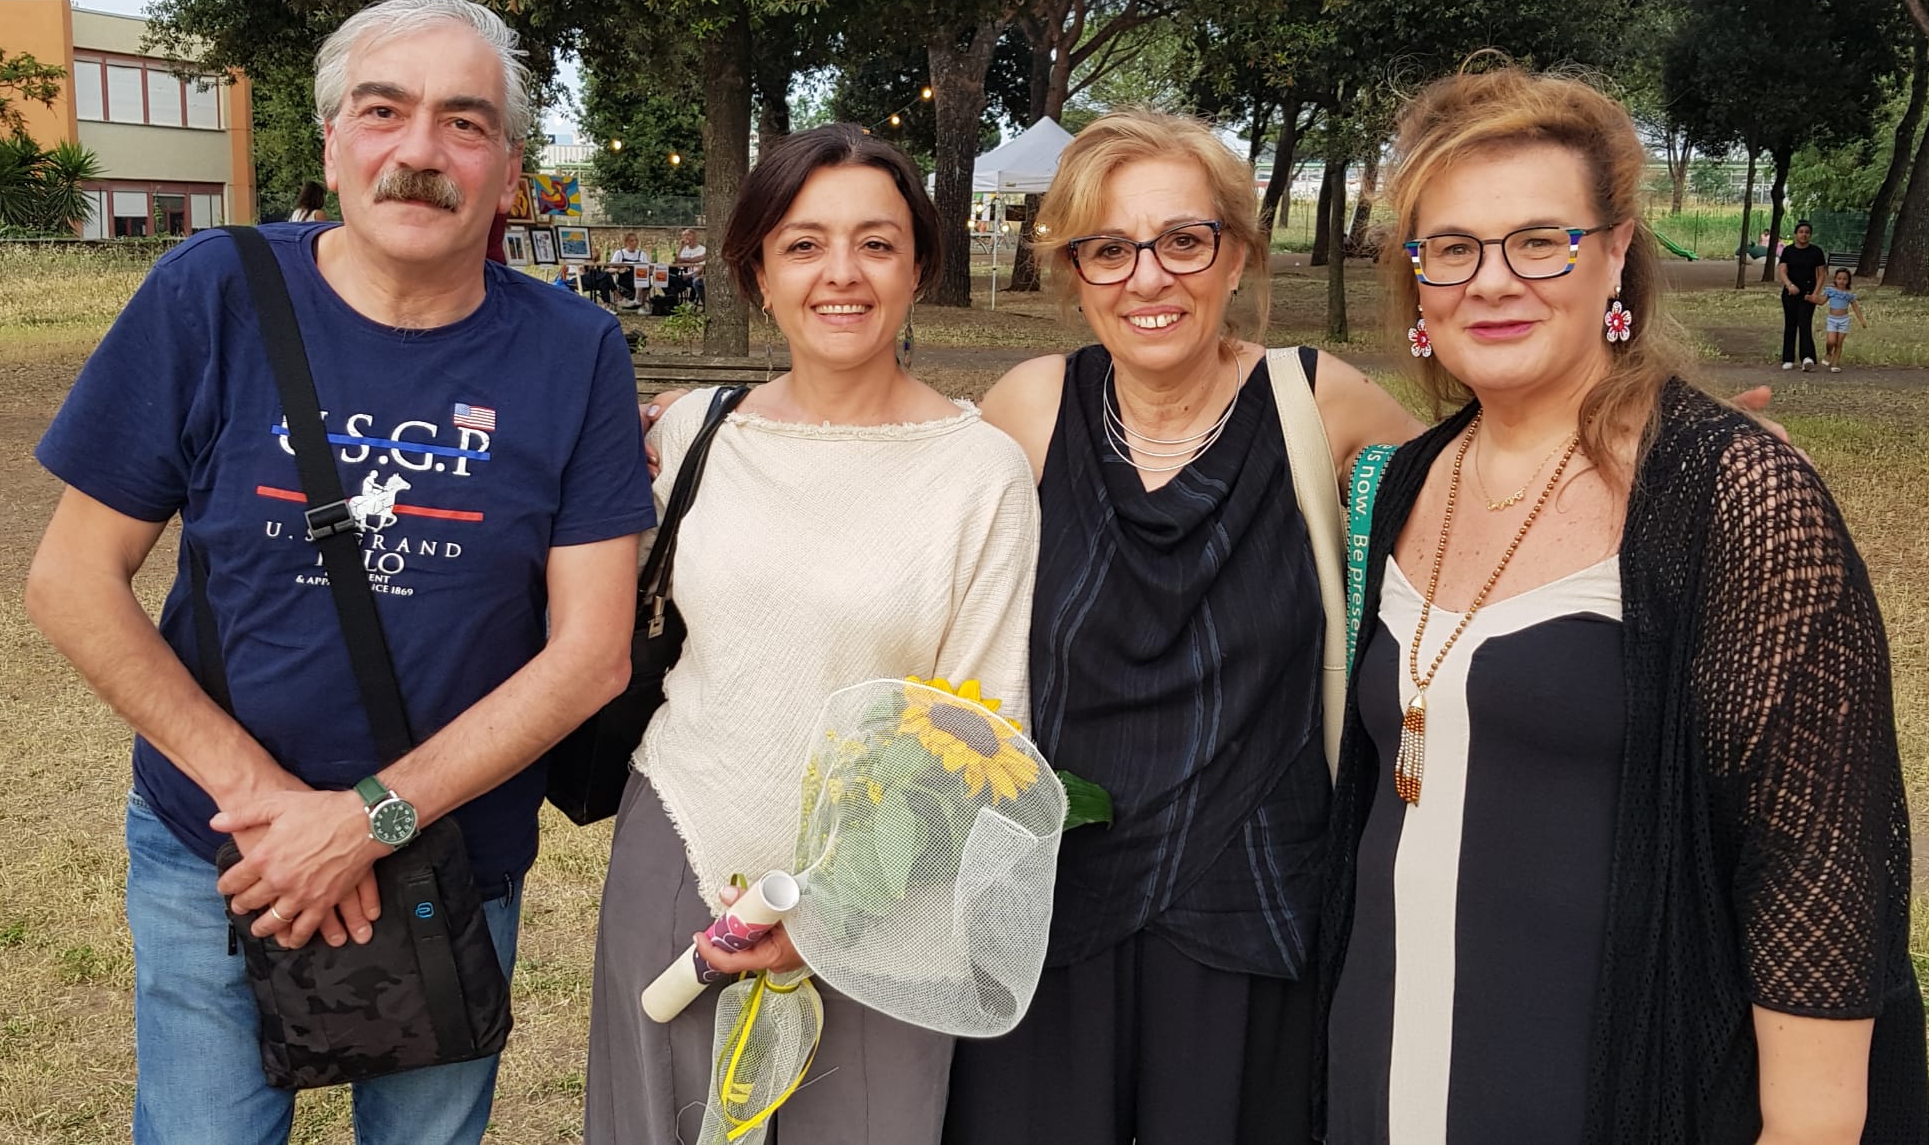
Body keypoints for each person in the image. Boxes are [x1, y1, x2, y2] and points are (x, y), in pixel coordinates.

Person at [23, 0, 653, 1145]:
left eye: (465, 123)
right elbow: (70, 581)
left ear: (508, 172)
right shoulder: (210, 294)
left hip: (448, 856)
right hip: (221, 851)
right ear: (329, 144)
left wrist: (369, 821)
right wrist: (271, 809)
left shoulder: (574, 352)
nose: (420, 152)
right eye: (383, 111)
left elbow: (591, 655)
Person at [1321, 66, 1929, 1143]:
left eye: (1538, 241)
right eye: (1451, 249)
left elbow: (1815, 870)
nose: (1491, 282)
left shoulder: (1729, 493)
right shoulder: (1409, 479)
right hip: (1383, 1076)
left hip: (1618, 1089)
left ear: (1613, 252)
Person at [942, 111, 1427, 1145]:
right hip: (1047, 910)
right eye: (1109, 249)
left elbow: (1482, 503)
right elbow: (909, 544)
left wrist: (1637, 446)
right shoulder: (1031, 407)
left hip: (1252, 908)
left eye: (1182, 240)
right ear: (1074, 272)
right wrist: (700, 424)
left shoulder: (1319, 404)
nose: (1147, 277)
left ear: (1236, 253)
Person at [584, 124, 1039, 1145]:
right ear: (757, 271)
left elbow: (988, 726)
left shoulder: (981, 472)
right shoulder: (693, 434)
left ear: (919, 267)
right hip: (684, 841)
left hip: (889, 893)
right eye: (802, 244)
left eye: (876, 244)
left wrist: (830, 917)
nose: (841, 274)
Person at [1779, 218, 1827, 371]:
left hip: (1808, 293)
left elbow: (1821, 274)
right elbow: (1782, 270)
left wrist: (1815, 294)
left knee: (1805, 323)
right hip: (1791, 293)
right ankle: (1788, 358)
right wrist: (1789, 285)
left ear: (1810, 235)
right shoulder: (1788, 251)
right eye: (1801, 232)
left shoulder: (1816, 252)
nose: (1804, 235)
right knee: (1790, 324)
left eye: (1807, 232)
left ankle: (1807, 357)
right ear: (1796, 234)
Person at [1825, 267, 1867, 372]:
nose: (1842, 281)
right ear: (1835, 279)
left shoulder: (1849, 294)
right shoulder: (1831, 291)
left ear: (1848, 281)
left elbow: (1855, 308)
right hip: (1832, 320)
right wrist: (1811, 298)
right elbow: (1821, 300)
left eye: (1844, 279)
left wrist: (1861, 320)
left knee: (1839, 343)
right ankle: (1828, 352)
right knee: (1831, 341)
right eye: (1839, 278)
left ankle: (1835, 363)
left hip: (1844, 320)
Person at [608, 230, 649, 309]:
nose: (635, 242)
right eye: (632, 241)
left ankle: (640, 303)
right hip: (625, 280)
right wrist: (619, 269)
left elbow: (647, 267)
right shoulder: (619, 253)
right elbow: (610, 268)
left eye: (636, 240)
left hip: (641, 278)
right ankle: (639, 302)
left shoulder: (642, 254)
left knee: (641, 273)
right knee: (637, 273)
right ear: (626, 242)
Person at [672, 225, 708, 301]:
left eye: (688, 235)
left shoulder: (702, 250)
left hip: (693, 275)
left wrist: (688, 275)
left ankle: (693, 296)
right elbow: (675, 263)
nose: (686, 237)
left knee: (696, 279)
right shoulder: (683, 249)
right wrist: (681, 247)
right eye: (684, 235)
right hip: (681, 276)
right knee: (665, 278)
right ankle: (672, 302)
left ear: (695, 237)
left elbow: (700, 269)